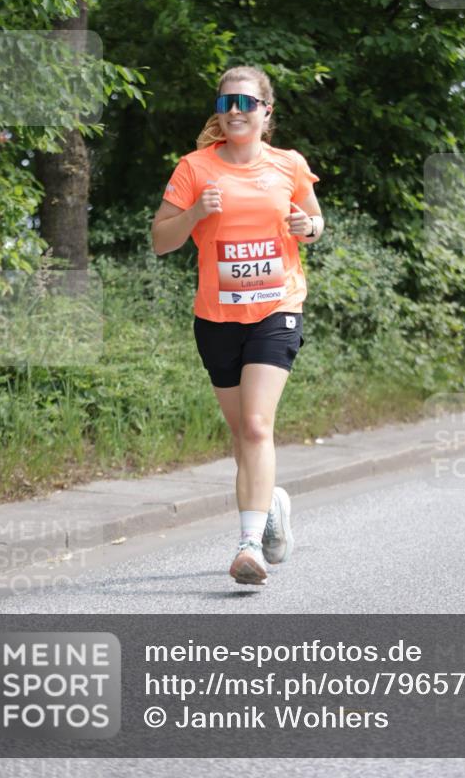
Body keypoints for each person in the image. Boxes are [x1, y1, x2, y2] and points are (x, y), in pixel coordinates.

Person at [151, 65, 324, 586]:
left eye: (246, 104)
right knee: (242, 434)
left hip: (278, 307)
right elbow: (162, 240)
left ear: (265, 112)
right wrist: (195, 213)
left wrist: (307, 227)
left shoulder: (289, 165)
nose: (235, 113)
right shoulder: (195, 169)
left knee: (255, 426)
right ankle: (270, 503)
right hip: (217, 317)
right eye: (226, 104)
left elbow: (314, 222)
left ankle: (248, 546)